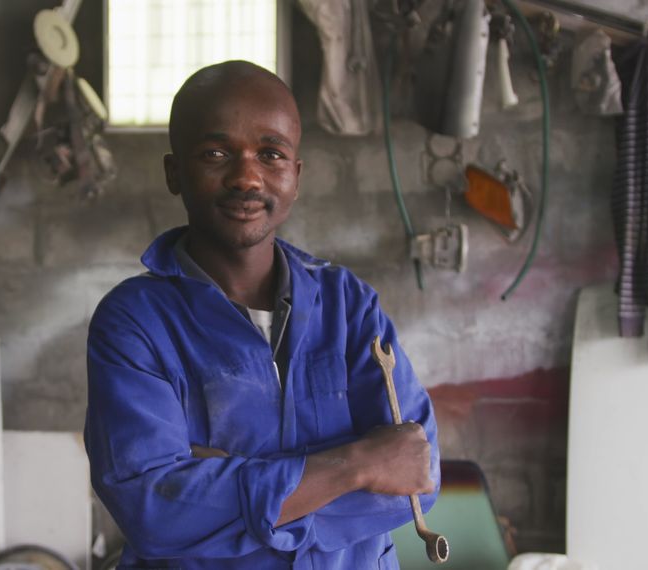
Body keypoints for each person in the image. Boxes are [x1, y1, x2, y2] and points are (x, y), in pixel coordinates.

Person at [84, 60, 439, 569]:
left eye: (270, 154)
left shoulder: (350, 307)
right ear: (174, 172)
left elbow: (417, 479)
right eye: (215, 153)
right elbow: (154, 511)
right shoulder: (135, 323)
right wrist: (356, 464)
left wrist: (227, 487)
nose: (246, 176)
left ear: (295, 176)